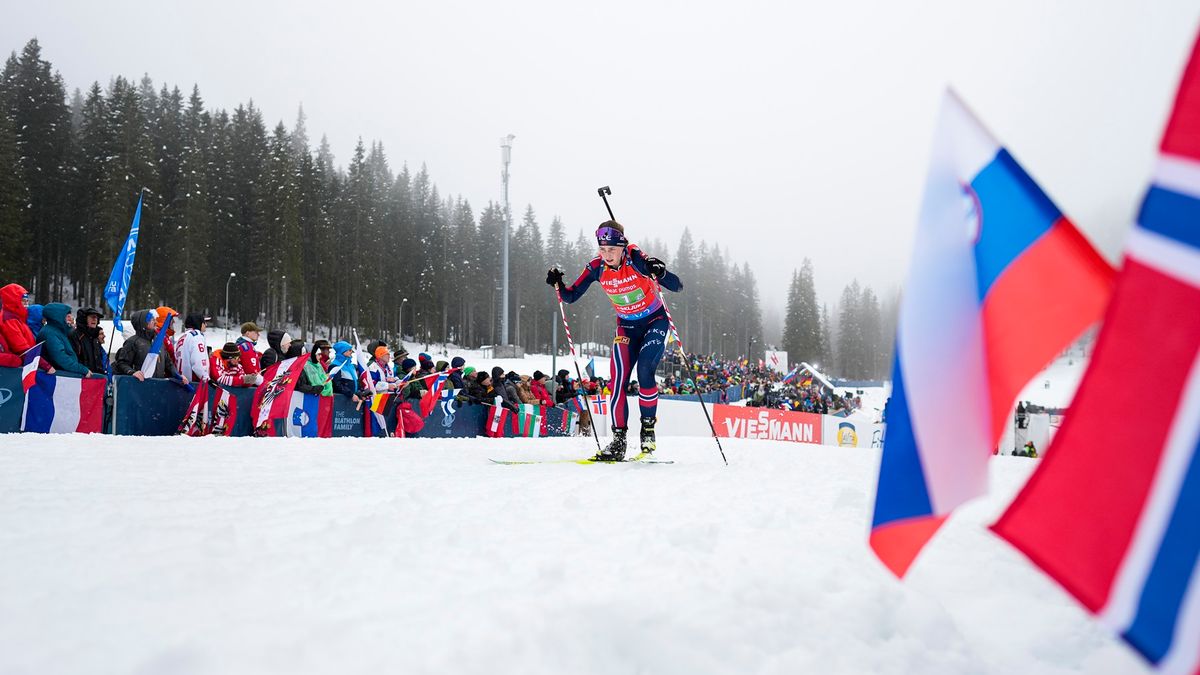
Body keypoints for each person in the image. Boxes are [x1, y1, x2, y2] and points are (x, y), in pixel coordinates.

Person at [546, 220, 682, 460]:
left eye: (612, 249)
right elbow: (570, 296)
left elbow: (676, 286)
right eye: (602, 249)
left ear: (622, 246)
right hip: (627, 328)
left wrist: (660, 271)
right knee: (617, 382)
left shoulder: (636, 258)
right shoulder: (597, 267)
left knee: (645, 372)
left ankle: (648, 429)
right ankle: (618, 441)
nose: (607, 255)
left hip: (654, 322)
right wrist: (558, 284)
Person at [113, 309, 182, 381]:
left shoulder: (158, 341)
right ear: (143, 323)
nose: (156, 322)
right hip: (139, 387)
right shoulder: (132, 342)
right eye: (152, 320)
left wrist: (178, 376)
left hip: (159, 387)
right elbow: (121, 363)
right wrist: (132, 372)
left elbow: (169, 364)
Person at [38, 303, 100, 378]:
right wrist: (82, 369)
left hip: (62, 375)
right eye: (67, 316)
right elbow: (61, 358)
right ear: (58, 317)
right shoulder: (50, 333)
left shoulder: (59, 331)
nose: (71, 318)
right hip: (55, 377)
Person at [69, 307, 107, 375]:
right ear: (84, 319)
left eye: (96, 317)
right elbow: (72, 360)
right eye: (92, 317)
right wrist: (84, 371)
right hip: (81, 377)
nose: (95, 319)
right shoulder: (75, 335)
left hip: (96, 378)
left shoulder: (95, 336)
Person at [176, 314, 211, 384]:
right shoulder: (196, 336)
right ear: (198, 323)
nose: (206, 325)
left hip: (182, 382)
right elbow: (198, 363)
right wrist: (207, 379)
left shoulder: (182, 337)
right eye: (204, 322)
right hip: (194, 384)